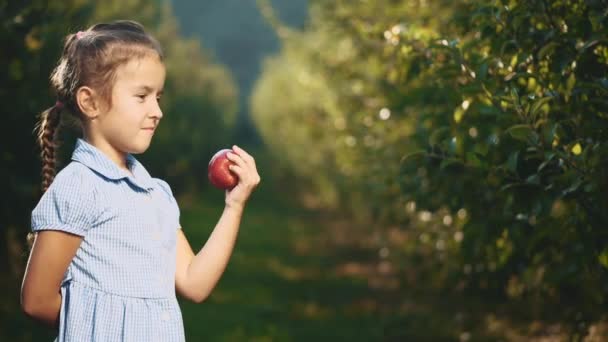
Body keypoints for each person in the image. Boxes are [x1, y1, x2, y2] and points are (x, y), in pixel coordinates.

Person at [20, 20, 260, 341]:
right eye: (142, 96)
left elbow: (194, 283)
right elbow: (37, 301)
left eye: (158, 97)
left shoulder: (156, 194)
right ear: (90, 102)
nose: (157, 111)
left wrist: (234, 205)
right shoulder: (79, 187)